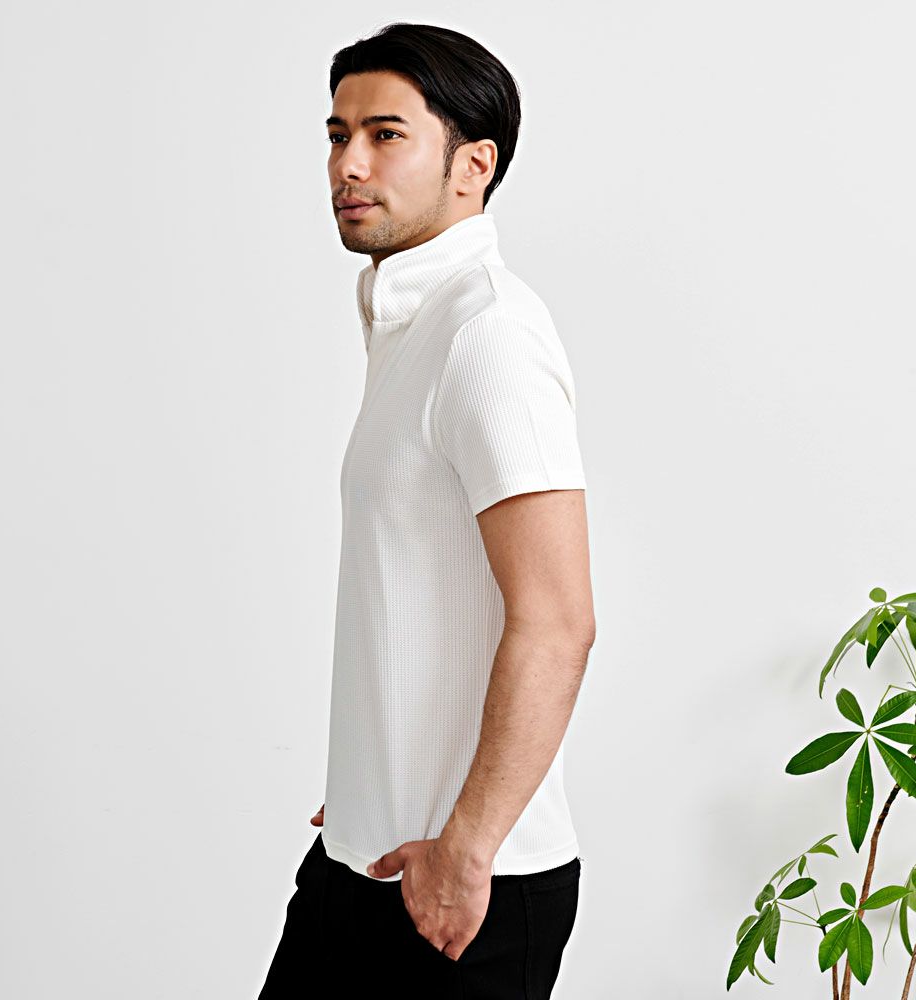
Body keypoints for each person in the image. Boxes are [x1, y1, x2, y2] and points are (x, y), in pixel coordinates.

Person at [258, 22, 595, 1000]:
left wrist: (467, 846)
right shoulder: (410, 324)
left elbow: (558, 621)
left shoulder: (487, 332)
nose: (347, 164)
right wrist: (376, 779)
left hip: (466, 888)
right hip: (364, 861)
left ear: (472, 166)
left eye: (385, 135)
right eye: (337, 135)